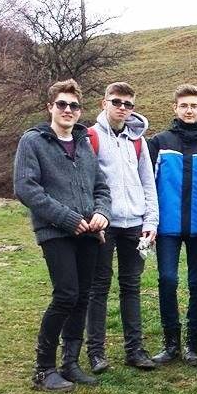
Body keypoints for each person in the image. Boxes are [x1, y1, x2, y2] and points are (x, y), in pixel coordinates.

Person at [13, 79, 111, 392]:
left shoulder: (83, 142)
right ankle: (44, 369)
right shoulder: (33, 141)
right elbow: (26, 187)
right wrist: (67, 218)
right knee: (66, 293)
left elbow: (101, 187)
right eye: (62, 104)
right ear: (50, 107)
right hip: (55, 231)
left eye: (74, 106)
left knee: (83, 296)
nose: (68, 110)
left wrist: (102, 212)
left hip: (89, 232)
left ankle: (70, 362)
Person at [84, 82, 159, 373]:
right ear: (104, 103)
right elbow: (85, 183)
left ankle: (135, 350)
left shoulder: (138, 140)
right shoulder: (90, 137)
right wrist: (94, 217)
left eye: (128, 104)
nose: (123, 109)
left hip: (134, 223)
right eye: (117, 102)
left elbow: (147, 182)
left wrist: (150, 221)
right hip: (103, 223)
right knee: (98, 287)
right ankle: (96, 352)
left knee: (131, 287)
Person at [147, 84, 197, 368]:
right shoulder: (159, 142)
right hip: (167, 227)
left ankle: (192, 345)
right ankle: (170, 343)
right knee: (167, 280)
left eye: (194, 106)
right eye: (184, 106)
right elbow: (147, 185)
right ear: (175, 109)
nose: (189, 110)